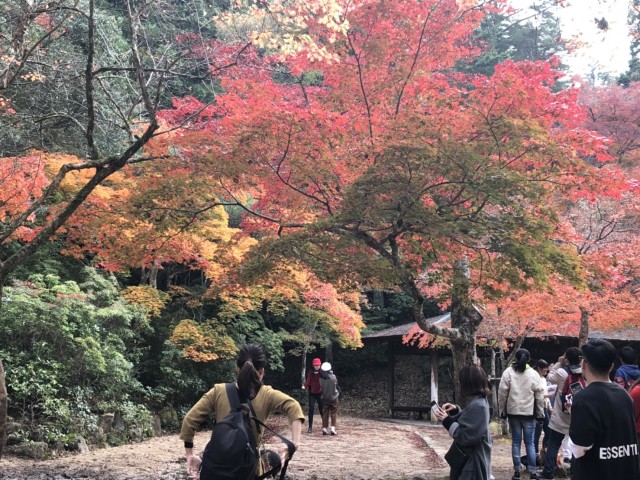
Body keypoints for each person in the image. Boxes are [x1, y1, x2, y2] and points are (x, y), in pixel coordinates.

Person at [179, 344, 304, 480]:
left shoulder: (218, 391)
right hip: (250, 470)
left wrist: (189, 454)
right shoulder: (268, 394)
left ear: (237, 369)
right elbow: (294, 406)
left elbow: (189, 420)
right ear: (262, 371)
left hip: (217, 466)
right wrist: (294, 444)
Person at [569, 338, 640, 480]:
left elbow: (578, 449)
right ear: (612, 366)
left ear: (584, 364)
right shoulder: (625, 395)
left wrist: (575, 416)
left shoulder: (584, 399)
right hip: (625, 471)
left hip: (596, 472)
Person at [434, 364, 493, 480]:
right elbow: (472, 422)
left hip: (472, 463)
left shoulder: (478, 406)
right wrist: (456, 410)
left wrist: (447, 421)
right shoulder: (480, 401)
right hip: (471, 460)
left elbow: (466, 436)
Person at [498, 348, 545, 480]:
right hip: (529, 413)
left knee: (516, 443)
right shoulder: (534, 374)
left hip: (513, 412)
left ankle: (517, 472)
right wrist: (540, 413)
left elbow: (502, 393)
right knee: (529, 442)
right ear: (529, 359)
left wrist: (502, 411)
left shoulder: (508, 372)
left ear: (516, 359)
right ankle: (533, 472)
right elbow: (540, 396)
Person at [539, 347, 582, 480]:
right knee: (577, 446)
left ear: (567, 358)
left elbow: (550, 377)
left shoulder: (562, 372)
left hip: (561, 415)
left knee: (554, 443)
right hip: (577, 415)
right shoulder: (585, 372)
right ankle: (575, 473)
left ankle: (548, 472)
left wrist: (559, 363)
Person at [533, 359, 552, 465]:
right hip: (536, 407)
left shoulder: (543, 379)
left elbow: (544, 394)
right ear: (539, 368)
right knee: (537, 433)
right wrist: (548, 395)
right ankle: (535, 457)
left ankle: (544, 452)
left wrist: (550, 407)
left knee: (548, 431)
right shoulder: (535, 378)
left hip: (544, 406)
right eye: (545, 369)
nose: (546, 371)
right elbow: (536, 394)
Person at [302, 357, 323, 433]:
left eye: (318, 365)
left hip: (320, 393)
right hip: (312, 393)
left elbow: (327, 378)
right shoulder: (310, 372)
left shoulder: (322, 372)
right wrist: (305, 386)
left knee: (322, 410)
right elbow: (308, 381)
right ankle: (310, 427)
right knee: (311, 409)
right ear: (313, 365)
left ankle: (324, 425)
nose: (317, 366)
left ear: (320, 365)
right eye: (315, 365)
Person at [319, 361, 339, 436]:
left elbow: (321, 387)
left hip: (325, 398)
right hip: (334, 397)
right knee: (333, 413)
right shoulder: (333, 377)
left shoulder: (321, 379)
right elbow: (336, 384)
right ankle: (333, 429)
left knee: (325, 413)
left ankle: (324, 428)